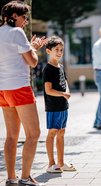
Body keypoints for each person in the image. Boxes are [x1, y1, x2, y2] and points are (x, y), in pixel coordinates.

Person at [0, 1, 47, 185]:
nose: (25, 21)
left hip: (3, 89)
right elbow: (33, 62)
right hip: (19, 87)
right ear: (14, 16)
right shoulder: (17, 33)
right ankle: (25, 177)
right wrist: (34, 47)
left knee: (11, 135)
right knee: (33, 133)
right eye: (24, 17)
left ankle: (11, 178)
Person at [43, 36, 76, 173]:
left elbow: (65, 83)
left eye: (61, 50)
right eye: (56, 49)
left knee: (61, 133)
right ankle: (51, 164)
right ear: (48, 51)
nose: (59, 52)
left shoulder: (61, 67)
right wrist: (63, 94)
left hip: (63, 106)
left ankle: (61, 163)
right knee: (53, 133)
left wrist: (67, 92)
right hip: (53, 107)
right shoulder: (48, 69)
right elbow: (48, 90)